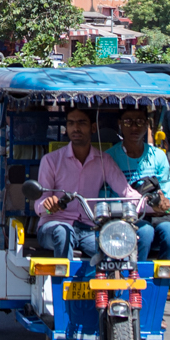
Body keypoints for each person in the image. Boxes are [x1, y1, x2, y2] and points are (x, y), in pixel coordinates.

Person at [33, 106, 142, 259]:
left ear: (93, 127)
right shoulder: (51, 160)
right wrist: (48, 205)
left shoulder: (104, 161)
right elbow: (38, 206)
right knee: (63, 232)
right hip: (54, 227)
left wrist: (155, 204)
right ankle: (63, 281)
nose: (75, 128)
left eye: (81, 123)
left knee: (114, 250)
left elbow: (127, 194)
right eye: (71, 123)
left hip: (88, 230)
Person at [106, 107, 170, 298]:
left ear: (147, 125)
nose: (134, 127)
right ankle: (133, 285)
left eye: (139, 122)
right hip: (125, 217)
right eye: (128, 122)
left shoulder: (158, 156)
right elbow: (104, 196)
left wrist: (165, 205)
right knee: (144, 233)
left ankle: (164, 288)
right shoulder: (110, 157)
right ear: (120, 125)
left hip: (157, 216)